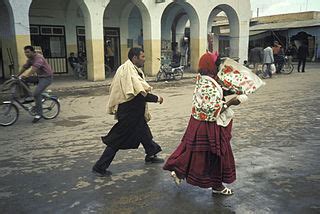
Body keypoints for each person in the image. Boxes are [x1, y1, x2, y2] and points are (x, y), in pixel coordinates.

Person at [163, 51, 245, 196]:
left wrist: (232, 90)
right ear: (210, 66)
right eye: (217, 64)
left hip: (198, 123)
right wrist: (232, 102)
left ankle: (181, 172)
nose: (219, 67)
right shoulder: (208, 84)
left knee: (197, 153)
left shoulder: (205, 79)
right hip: (207, 125)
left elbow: (215, 94)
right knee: (214, 155)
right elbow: (211, 109)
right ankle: (217, 186)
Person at [92, 47, 164, 177]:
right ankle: (99, 166)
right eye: (142, 56)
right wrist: (157, 98)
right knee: (117, 139)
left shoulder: (132, 69)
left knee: (144, 133)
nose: (144, 59)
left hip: (135, 112)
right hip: (129, 114)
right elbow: (139, 93)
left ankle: (151, 154)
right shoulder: (128, 71)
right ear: (134, 58)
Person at [17, 45, 53, 123]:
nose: (26, 54)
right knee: (21, 81)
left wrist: (25, 75)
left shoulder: (38, 58)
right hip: (39, 77)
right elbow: (25, 67)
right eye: (25, 52)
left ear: (33, 52)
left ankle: (39, 114)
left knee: (36, 93)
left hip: (47, 78)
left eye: (28, 52)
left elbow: (33, 69)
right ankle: (28, 96)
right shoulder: (30, 59)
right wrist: (17, 75)